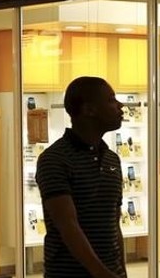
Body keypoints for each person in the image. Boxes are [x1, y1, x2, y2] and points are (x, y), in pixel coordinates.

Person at [36, 76, 127, 278]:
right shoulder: (54, 159)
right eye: (112, 100)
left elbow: (114, 223)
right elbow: (68, 226)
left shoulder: (112, 159)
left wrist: (121, 271)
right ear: (89, 110)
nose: (120, 106)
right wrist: (101, 274)